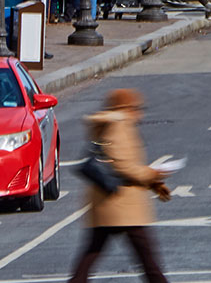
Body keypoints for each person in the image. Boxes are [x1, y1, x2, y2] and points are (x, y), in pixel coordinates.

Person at [68, 88, 173, 283]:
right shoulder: (120, 125)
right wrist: (152, 174)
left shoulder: (111, 124)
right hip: (121, 205)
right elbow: (122, 165)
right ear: (127, 107)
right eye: (137, 108)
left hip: (109, 203)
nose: (140, 113)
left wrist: (153, 183)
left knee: (92, 254)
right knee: (149, 262)